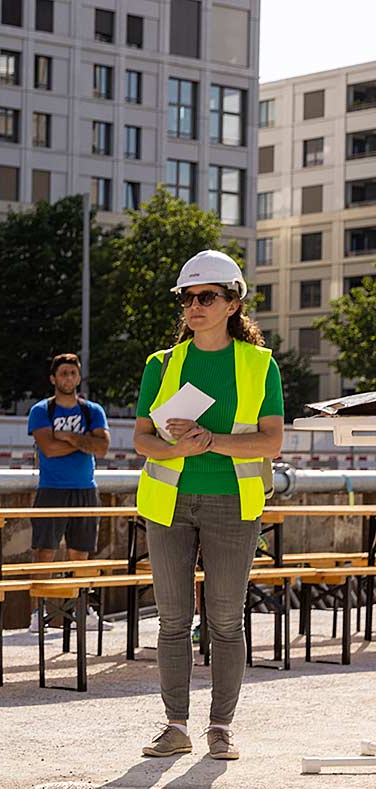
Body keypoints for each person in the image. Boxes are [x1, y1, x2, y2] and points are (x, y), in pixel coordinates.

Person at [135, 250, 284, 762]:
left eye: (206, 297)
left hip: (232, 502)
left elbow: (270, 442)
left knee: (225, 619)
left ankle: (220, 727)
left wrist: (210, 439)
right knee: (172, 620)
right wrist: (179, 447)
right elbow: (141, 439)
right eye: (187, 298)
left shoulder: (260, 364)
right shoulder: (162, 364)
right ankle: (175, 725)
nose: (194, 306)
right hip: (168, 502)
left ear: (232, 303)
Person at [27, 353, 110, 562]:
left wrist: (69, 437)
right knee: (44, 553)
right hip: (51, 490)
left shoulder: (92, 411)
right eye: (63, 373)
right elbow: (49, 449)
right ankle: (41, 596)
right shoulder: (42, 410)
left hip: (85, 490)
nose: (69, 378)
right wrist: (85, 441)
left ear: (79, 377)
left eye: (73, 373)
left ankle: (77, 596)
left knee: (80, 555)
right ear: (53, 379)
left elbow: (102, 448)